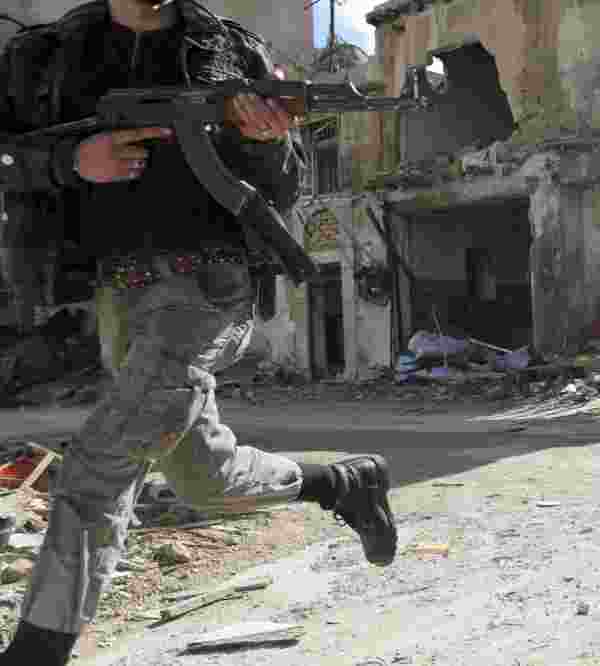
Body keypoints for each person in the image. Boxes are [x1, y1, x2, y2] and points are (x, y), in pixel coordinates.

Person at [0, 1, 396, 663]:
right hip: (119, 295)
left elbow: (288, 184)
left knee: (101, 464)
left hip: (211, 289)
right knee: (202, 478)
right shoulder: (44, 57)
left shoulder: (229, 49)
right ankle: (343, 485)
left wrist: (266, 141)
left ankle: (38, 651)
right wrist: (71, 162)